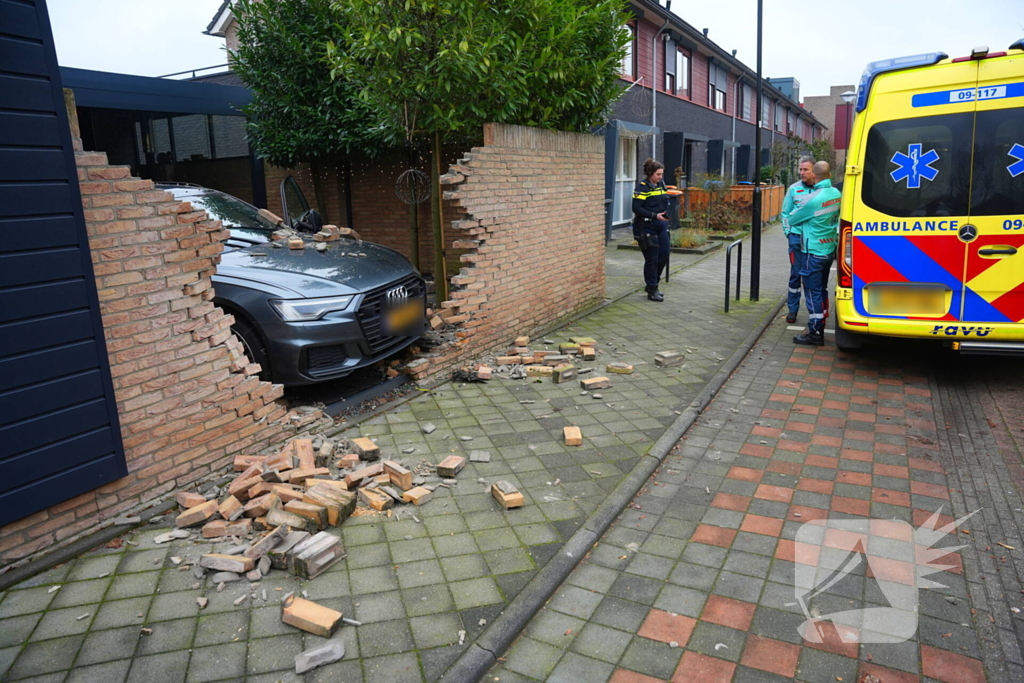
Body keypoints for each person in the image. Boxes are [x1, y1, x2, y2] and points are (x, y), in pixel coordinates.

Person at [786, 161, 841, 346]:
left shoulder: (814, 199)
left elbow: (792, 218)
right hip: (828, 250)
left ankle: (815, 331)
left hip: (813, 252)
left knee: (812, 292)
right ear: (830, 174)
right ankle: (823, 319)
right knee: (822, 289)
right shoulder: (835, 193)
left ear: (814, 176)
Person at [780, 157, 816, 324]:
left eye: (805, 170)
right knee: (795, 276)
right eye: (800, 169)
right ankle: (792, 310)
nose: (801, 173)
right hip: (796, 239)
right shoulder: (794, 189)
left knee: (814, 277)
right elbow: (785, 213)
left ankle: (814, 313)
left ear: (814, 171)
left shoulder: (822, 190)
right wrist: (789, 233)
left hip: (815, 240)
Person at [632, 158, 670, 301]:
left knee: (664, 256)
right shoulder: (642, 187)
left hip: (661, 226)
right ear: (649, 173)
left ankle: (653, 283)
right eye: (658, 174)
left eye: (661, 174)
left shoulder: (660, 185)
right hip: (646, 228)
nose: (660, 177)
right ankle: (652, 289)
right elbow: (636, 208)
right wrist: (654, 216)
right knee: (652, 259)